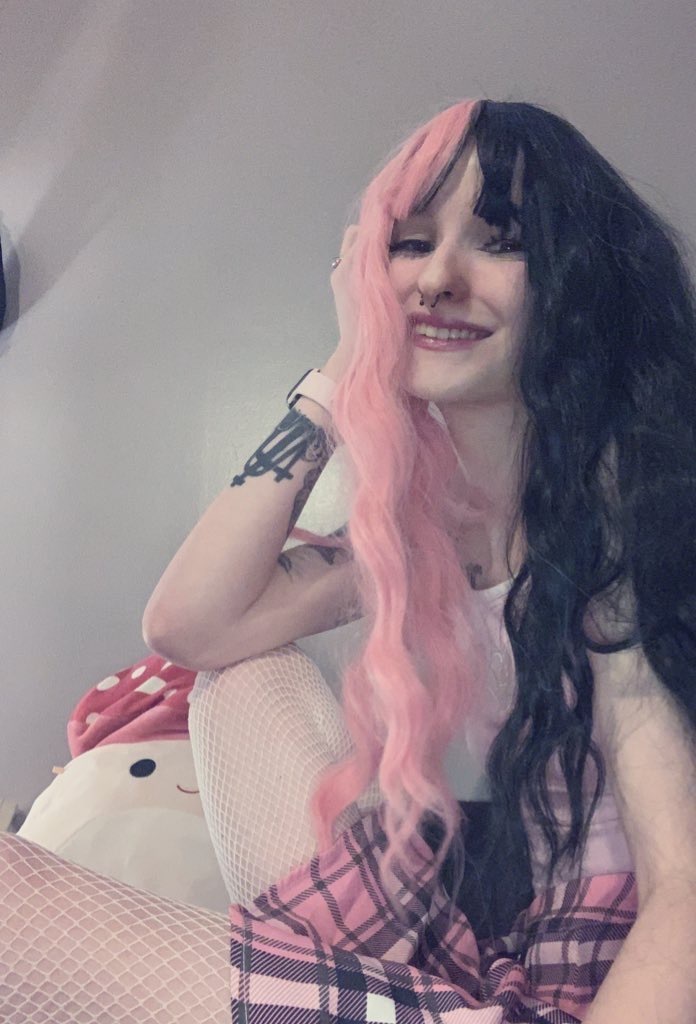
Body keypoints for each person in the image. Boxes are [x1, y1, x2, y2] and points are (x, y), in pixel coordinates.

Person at [1, 97, 695, 1023]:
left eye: (501, 241)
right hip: (504, 941)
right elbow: (189, 625)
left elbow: (686, 889)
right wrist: (346, 362)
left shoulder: (621, 516)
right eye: (409, 244)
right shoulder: (427, 532)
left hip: (612, 974)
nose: (438, 279)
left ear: (577, 280)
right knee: (241, 679)